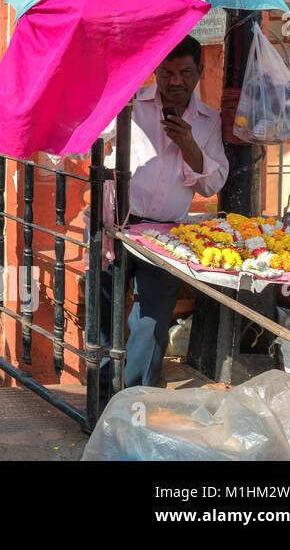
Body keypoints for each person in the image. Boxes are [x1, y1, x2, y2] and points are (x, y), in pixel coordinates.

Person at [100, 35, 229, 388]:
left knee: (152, 322)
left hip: (166, 236)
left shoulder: (209, 121)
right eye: (168, 72)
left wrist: (188, 144)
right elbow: (92, 139)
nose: (176, 82)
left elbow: (212, 184)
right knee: (105, 314)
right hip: (116, 226)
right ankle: (100, 401)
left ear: (200, 72)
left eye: (185, 73)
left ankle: (132, 401)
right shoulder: (130, 102)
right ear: (155, 71)